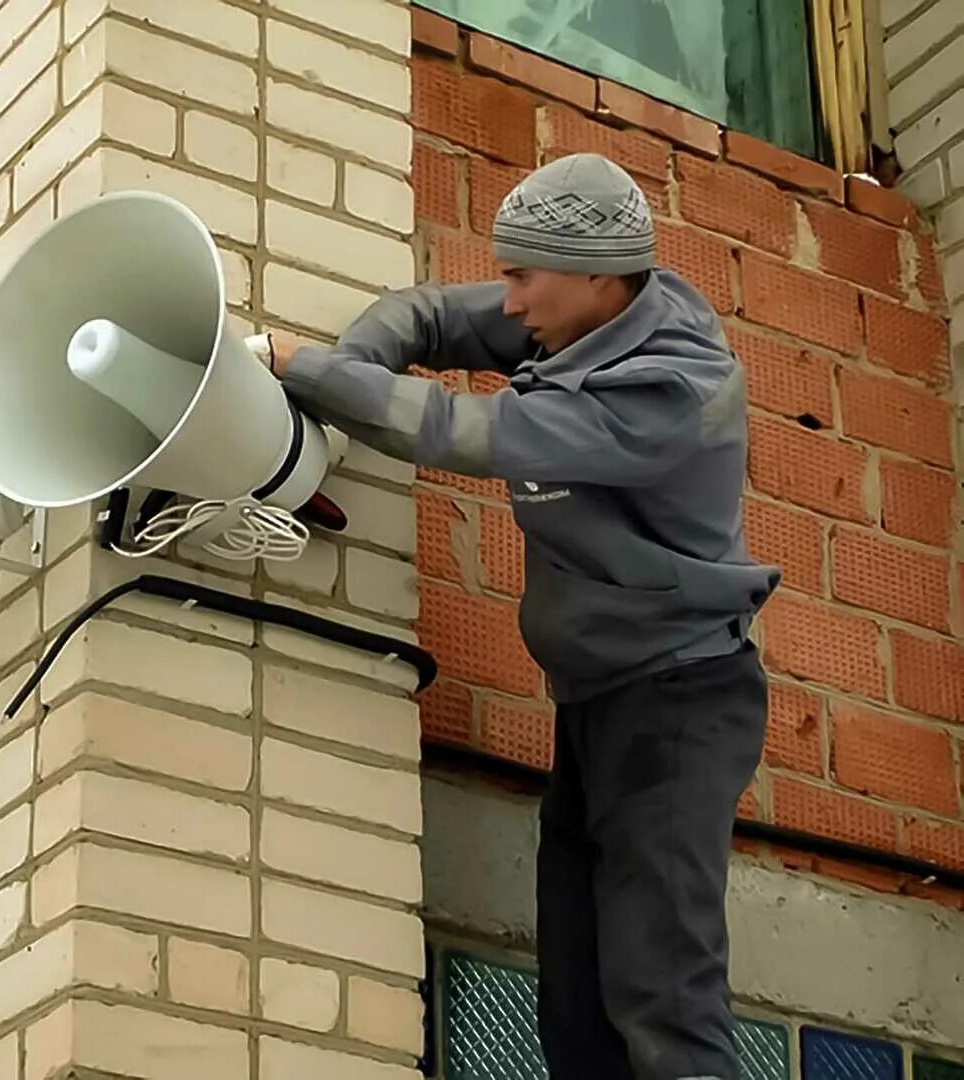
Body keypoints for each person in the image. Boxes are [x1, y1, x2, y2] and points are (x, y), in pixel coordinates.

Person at [264, 152, 780, 1080]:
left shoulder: (669, 392)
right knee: (577, 1009)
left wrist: (297, 368)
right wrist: (353, 367)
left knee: (662, 992)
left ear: (593, 275)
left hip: (679, 706)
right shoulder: (582, 318)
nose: (506, 303)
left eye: (521, 277)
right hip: (601, 702)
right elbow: (426, 315)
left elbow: (469, 434)